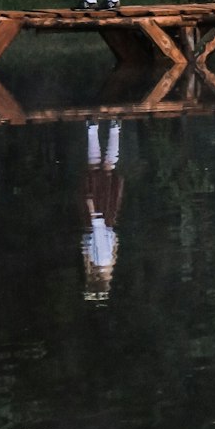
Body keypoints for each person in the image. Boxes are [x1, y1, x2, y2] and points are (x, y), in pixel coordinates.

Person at [81, 119, 124, 300]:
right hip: (100, 217)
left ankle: (107, 129)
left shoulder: (105, 264)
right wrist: (93, 212)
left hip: (104, 220)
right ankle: (100, 129)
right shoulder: (102, 262)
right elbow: (99, 238)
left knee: (103, 170)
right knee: (102, 170)